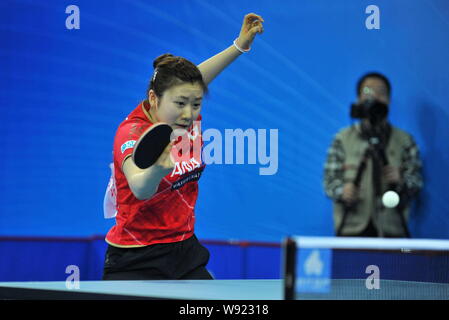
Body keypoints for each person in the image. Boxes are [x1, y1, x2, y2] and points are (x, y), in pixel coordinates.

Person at [102, 13, 264, 280]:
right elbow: (140, 187)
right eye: (180, 103)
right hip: (136, 256)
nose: (189, 114)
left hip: (185, 250)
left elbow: (195, 81)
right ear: (154, 98)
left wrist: (240, 45)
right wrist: (157, 171)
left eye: (196, 103)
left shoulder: (184, 109)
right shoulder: (131, 132)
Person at [323, 72, 423, 238]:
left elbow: (416, 184)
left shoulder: (405, 141)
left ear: (389, 101)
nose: (375, 97)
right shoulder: (342, 139)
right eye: (368, 92)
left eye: (381, 93)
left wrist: (402, 180)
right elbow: (329, 182)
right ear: (358, 99)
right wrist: (342, 191)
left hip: (393, 232)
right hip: (351, 231)